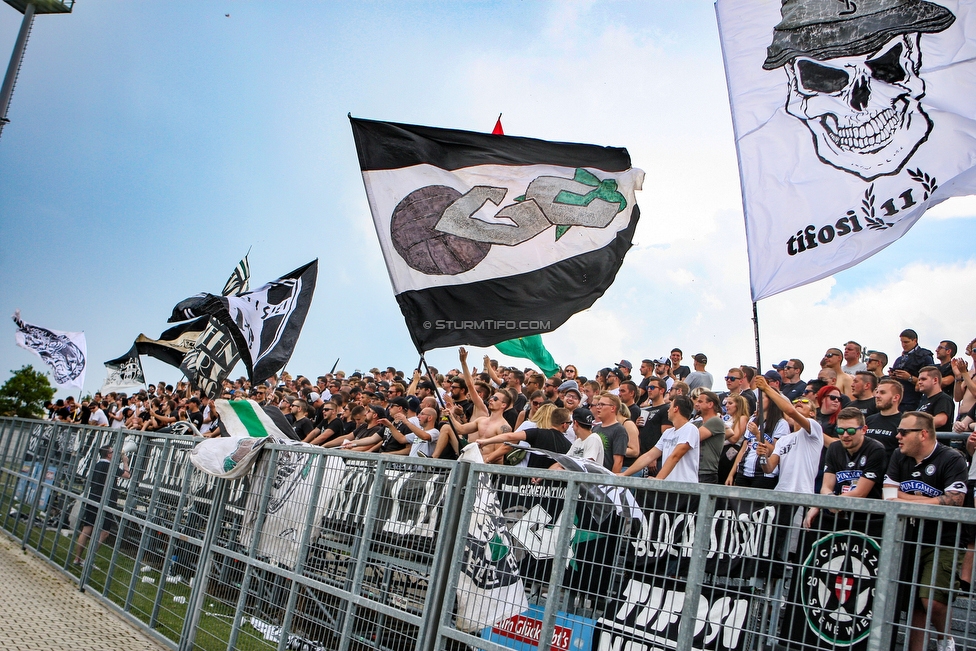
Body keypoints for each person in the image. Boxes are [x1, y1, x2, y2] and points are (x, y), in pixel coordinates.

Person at [885, 411, 968, 651]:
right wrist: (927, 499)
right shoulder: (899, 456)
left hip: (944, 539)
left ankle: (945, 639)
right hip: (908, 538)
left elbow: (954, 500)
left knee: (931, 600)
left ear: (923, 434)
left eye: (903, 432)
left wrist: (905, 499)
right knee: (915, 603)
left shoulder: (951, 458)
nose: (897, 436)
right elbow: (888, 495)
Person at [803, 407, 887, 527]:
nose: (845, 435)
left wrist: (828, 502)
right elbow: (826, 487)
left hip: (868, 519)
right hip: (840, 515)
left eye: (851, 431)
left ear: (864, 429)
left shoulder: (876, 449)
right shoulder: (834, 448)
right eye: (840, 431)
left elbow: (860, 493)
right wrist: (828, 500)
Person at [754, 376, 826, 494]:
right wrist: (763, 457)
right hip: (781, 494)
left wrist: (767, 388)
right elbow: (769, 468)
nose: (798, 402)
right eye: (795, 401)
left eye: (804, 401)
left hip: (802, 494)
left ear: (812, 413)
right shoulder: (783, 440)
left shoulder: (815, 428)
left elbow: (790, 411)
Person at [74, 444, 131, 565]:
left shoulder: (98, 464)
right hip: (107, 502)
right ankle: (89, 560)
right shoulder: (109, 466)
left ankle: (77, 558)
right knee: (104, 532)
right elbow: (127, 475)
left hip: (93, 498)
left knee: (87, 529)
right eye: (112, 451)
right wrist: (125, 462)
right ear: (109, 454)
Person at [621, 395, 698, 482]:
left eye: (670, 406)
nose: (668, 410)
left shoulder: (690, 428)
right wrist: (624, 474)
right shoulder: (668, 433)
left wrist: (658, 479)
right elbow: (649, 456)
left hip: (685, 488)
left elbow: (676, 456)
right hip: (669, 487)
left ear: (676, 408)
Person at [726, 388, 789, 489]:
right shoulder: (752, 419)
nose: (758, 401)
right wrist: (731, 474)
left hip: (764, 475)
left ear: (772, 400)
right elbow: (743, 450)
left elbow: (776, 451)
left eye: (762, 398)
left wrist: (757, 434)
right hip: (743, 471)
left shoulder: (781, 424)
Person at [890, 329, 934, 412]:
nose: (903, 345)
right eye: (902, 342)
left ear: (915, 341)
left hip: (914, 401)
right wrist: (894, 376)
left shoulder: (925, 357)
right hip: (897, 400)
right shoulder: (899, 359)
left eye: (906, 342)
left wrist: (909, 378)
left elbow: (930, 382)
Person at [591, 393, 629, 473]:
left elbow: (618, 461)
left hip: (605, 479)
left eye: (602, 405)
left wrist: (610, 483)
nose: (598, 407)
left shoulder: (619, 430)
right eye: (598, 404)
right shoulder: (595, 428)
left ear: (613, 408)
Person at [866, 379, 904, 458]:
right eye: (877, 392)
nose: (877, 396)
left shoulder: (903, 422)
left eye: (882, 392)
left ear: (895, 397)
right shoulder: (868, 420)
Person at [694, 391, 726, 484]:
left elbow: (692, 438)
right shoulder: (697, 423)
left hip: (706, 473)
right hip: (695, 471)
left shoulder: (716, 421)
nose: (696, 404)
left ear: (710, 404)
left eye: (700, 401)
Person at [916, 366, 954, 431]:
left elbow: (940, 420)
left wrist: (913, 424)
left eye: (923, 379)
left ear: (935, 380)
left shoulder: (943, 399)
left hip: (936, 440)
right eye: (919, 380)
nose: (919, 382)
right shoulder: (924, 400)